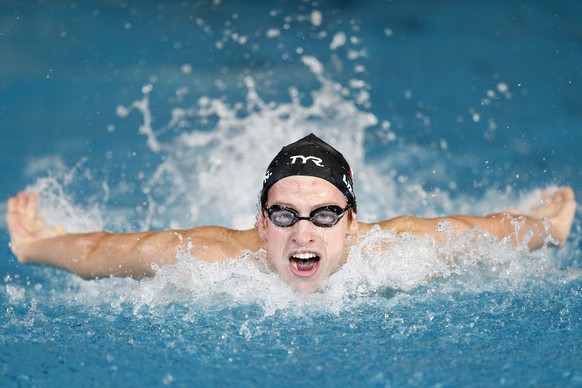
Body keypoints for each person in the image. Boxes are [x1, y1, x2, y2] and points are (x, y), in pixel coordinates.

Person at [6, 133, 577, 293]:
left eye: (326, 215)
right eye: (283, 215)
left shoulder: (401, 250)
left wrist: (548, 225)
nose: (304, 232)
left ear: (353, 223)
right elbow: (102, 252)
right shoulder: (213, 256)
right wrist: (33, 246)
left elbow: (489, 233)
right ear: (260, 222)